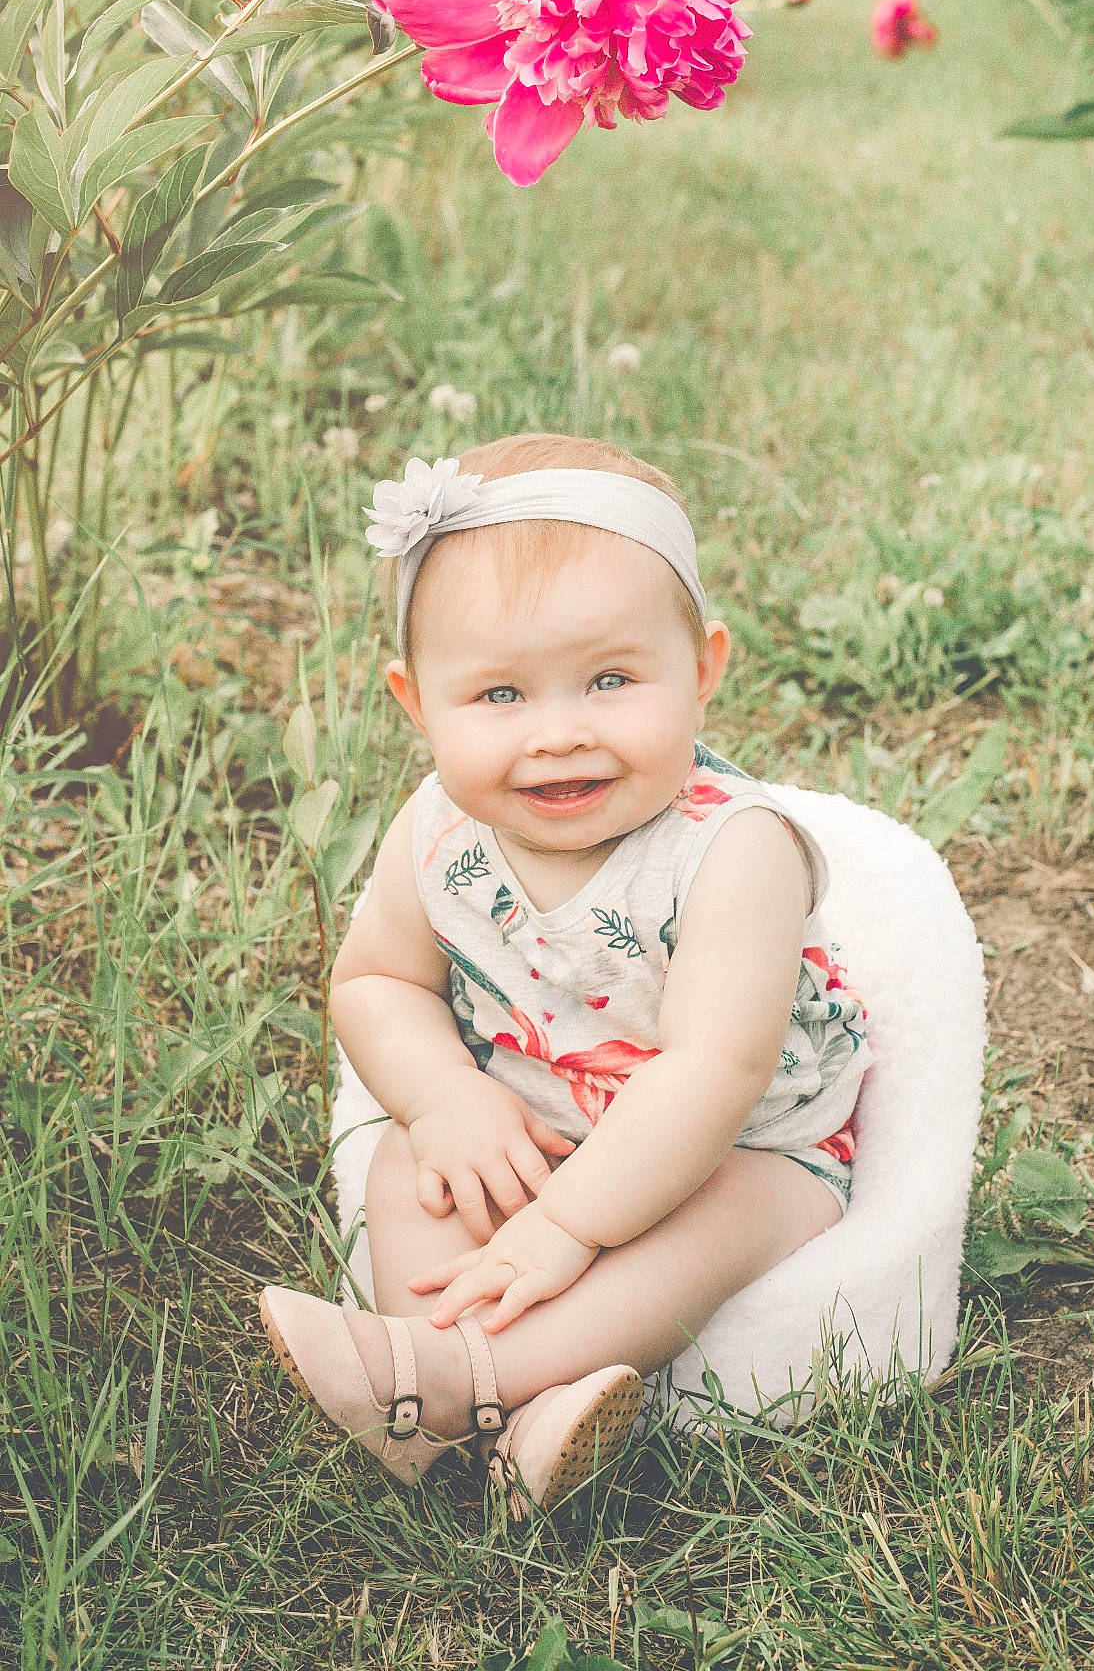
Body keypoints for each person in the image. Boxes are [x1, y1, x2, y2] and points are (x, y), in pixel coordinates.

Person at [260, 433, 871, 1519]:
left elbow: (714, 1069)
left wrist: (568, 1225)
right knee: (418, 1157)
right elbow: (374, 983)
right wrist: (449, 1096)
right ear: (417, 703)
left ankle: (459, 1382)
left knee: (723, 1216)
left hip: (737, 1140)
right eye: (498, 694)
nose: (557, 734)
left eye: (609, 679)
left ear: (703, 670)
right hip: (538, 1115)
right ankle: (470, 1396)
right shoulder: (438, 830)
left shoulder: (733, 852)